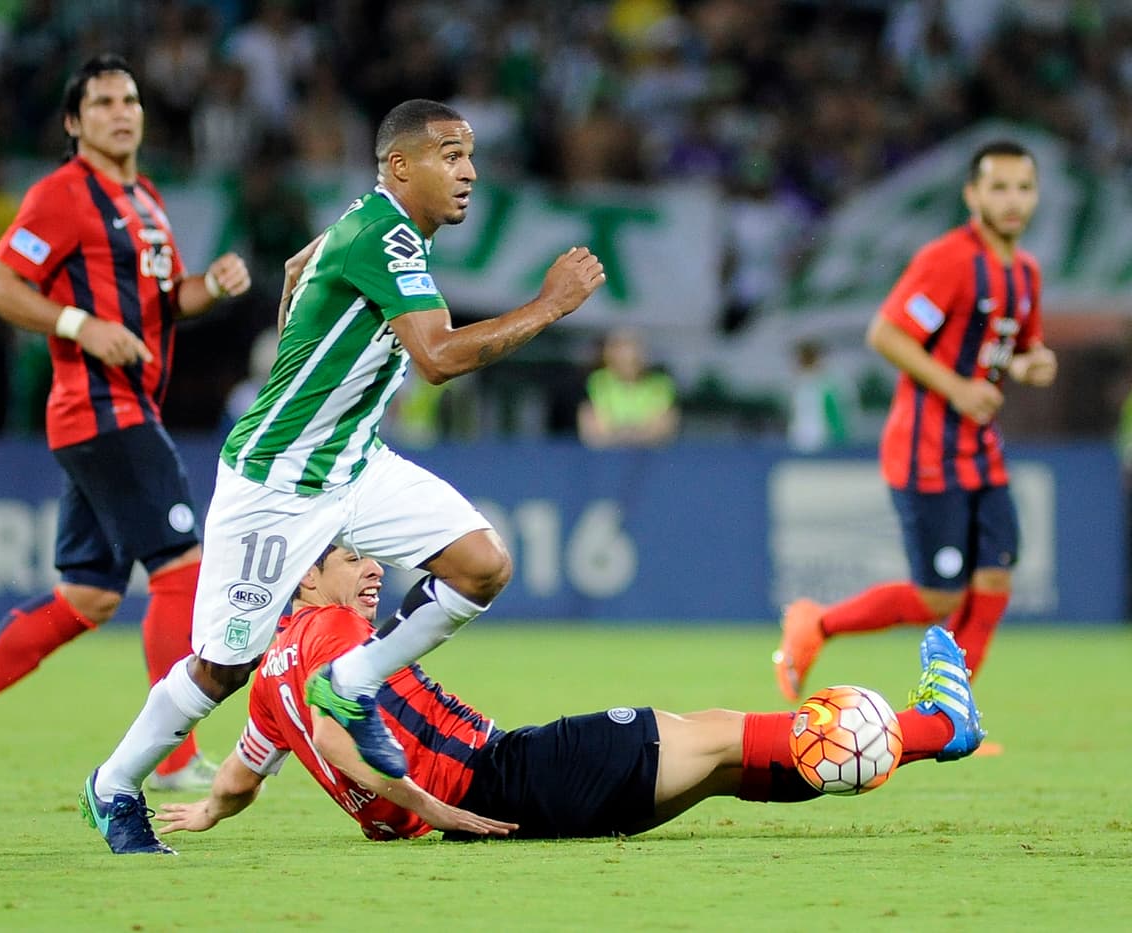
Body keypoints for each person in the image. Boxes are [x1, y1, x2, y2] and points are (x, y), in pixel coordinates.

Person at [81, 97, 605, 854]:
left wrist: (305, 297)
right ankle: (112, 784)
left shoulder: (378, 228)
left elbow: (305, 263)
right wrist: (552, 304)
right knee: (224, 667)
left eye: (470, 155)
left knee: (482, 564)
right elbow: (438, 359)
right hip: (277, 482)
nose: (470, 172)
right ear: (400, 167)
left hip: (356, 463)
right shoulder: (386, 234)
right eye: (451, 155)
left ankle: (350, 680)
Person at [0, 54, 252, 798]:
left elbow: (164, 301)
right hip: (101, 409)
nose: (122, 112)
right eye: (103, 103)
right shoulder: (62, 195)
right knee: (181, 569)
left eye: (131, 99)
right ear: (72, 122)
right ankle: (176, 757)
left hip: (118, 411)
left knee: (89, 596)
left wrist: (209, 287)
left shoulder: (146, 198)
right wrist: (81, 325)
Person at [152, 547, 984, 845]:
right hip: (501, 779)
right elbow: (338, 742)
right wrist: (432, 810)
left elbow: (243, 774)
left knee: (725, 757)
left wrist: (209, 814)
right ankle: (937, 724)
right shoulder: (332, 631)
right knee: (713, 733)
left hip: (503, 784)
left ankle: (931, 731)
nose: (373, 569)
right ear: (306, 581)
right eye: (351, 558)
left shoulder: (266, 680)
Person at [773, 139, 1057, 706]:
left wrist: (1034, 362)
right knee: (937, 599)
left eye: (1023, 187)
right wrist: (957, 388)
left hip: (982, 452)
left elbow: (1012, 349)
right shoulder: (950, 260)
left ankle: (951, 712)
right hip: (927, 452)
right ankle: (817, 622)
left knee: (996, 579)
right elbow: (886, 333)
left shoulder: (1024, 273)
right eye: (998, 187)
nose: (1012, 200)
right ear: (972, 195)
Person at [577, 328, 680, 448]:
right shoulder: (596, 382)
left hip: (651, 457)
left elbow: (664, 428)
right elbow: (591, 429)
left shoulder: (661, 384)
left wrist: (628, 436)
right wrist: (628, 436)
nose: (627, 356)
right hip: (607, 458)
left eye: (632, 349)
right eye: (619, 350)